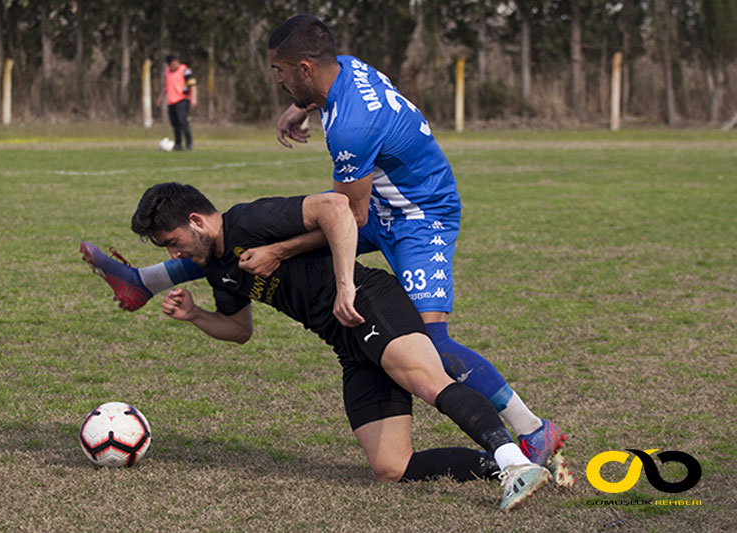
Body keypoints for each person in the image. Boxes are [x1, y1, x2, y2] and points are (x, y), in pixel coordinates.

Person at [80, 15, 573, 486]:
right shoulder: (347, 69)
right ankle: (145, 280)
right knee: (231, 246)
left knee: (432, 345)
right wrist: (302, 105)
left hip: (420, 218)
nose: (276, 80)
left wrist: (281, 251)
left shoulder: (350, 129)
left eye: (279, 71)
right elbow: (335, 92)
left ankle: (532, 431)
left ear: (304, 68)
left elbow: (348, 216)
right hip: (386, 205)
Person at [86, 181, 552, 511]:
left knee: (429, 381)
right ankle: (504, 464)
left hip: (368, 302)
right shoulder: (218, 269)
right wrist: (196, 316)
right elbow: (240, 329)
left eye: (173, 242)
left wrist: (343, 284)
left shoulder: (248, 220)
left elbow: (336, 208)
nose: (173, 256)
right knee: (391, 467)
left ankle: (515, 466)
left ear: (196, 221)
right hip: (344, 341)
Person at [156, 54, 197, 151]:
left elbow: (193, 85)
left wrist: (193, 98)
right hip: (171, 101)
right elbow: (166, 87)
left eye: (174, 63)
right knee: (175, 124)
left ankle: (189, 144)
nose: (173, 65)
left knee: (183, 122)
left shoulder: (185, 71)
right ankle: (178, 144)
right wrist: (160, 98)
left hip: (182, 100)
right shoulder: (167, 72)